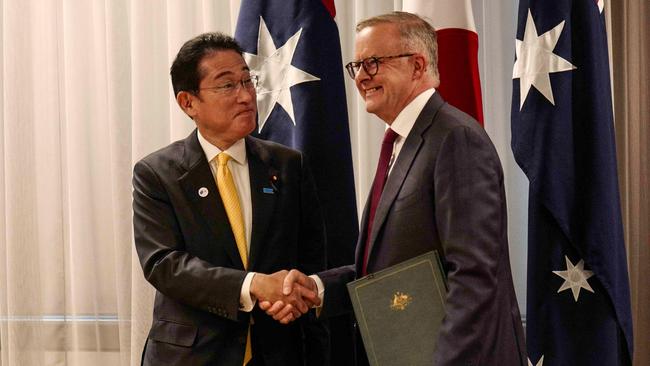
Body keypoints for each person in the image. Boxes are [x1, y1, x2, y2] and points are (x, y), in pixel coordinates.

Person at [263, 11, 527, 366]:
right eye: (356, 66)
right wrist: (318, 288)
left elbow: (474, 275)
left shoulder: (455, 138)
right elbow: (387, 268)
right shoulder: (401, 142)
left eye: (373, 63)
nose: (361, 77)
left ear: (417, 66)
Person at [132, 32, 327, 366]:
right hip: (193, 355)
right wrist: (252, 286)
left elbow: (311, 256)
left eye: (247, 81)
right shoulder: (157, 173)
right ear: (188, 102)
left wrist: (292, 295)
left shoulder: (288, 165)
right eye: (227, 85)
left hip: (279, 350)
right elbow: (164, 264)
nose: (246, 96)